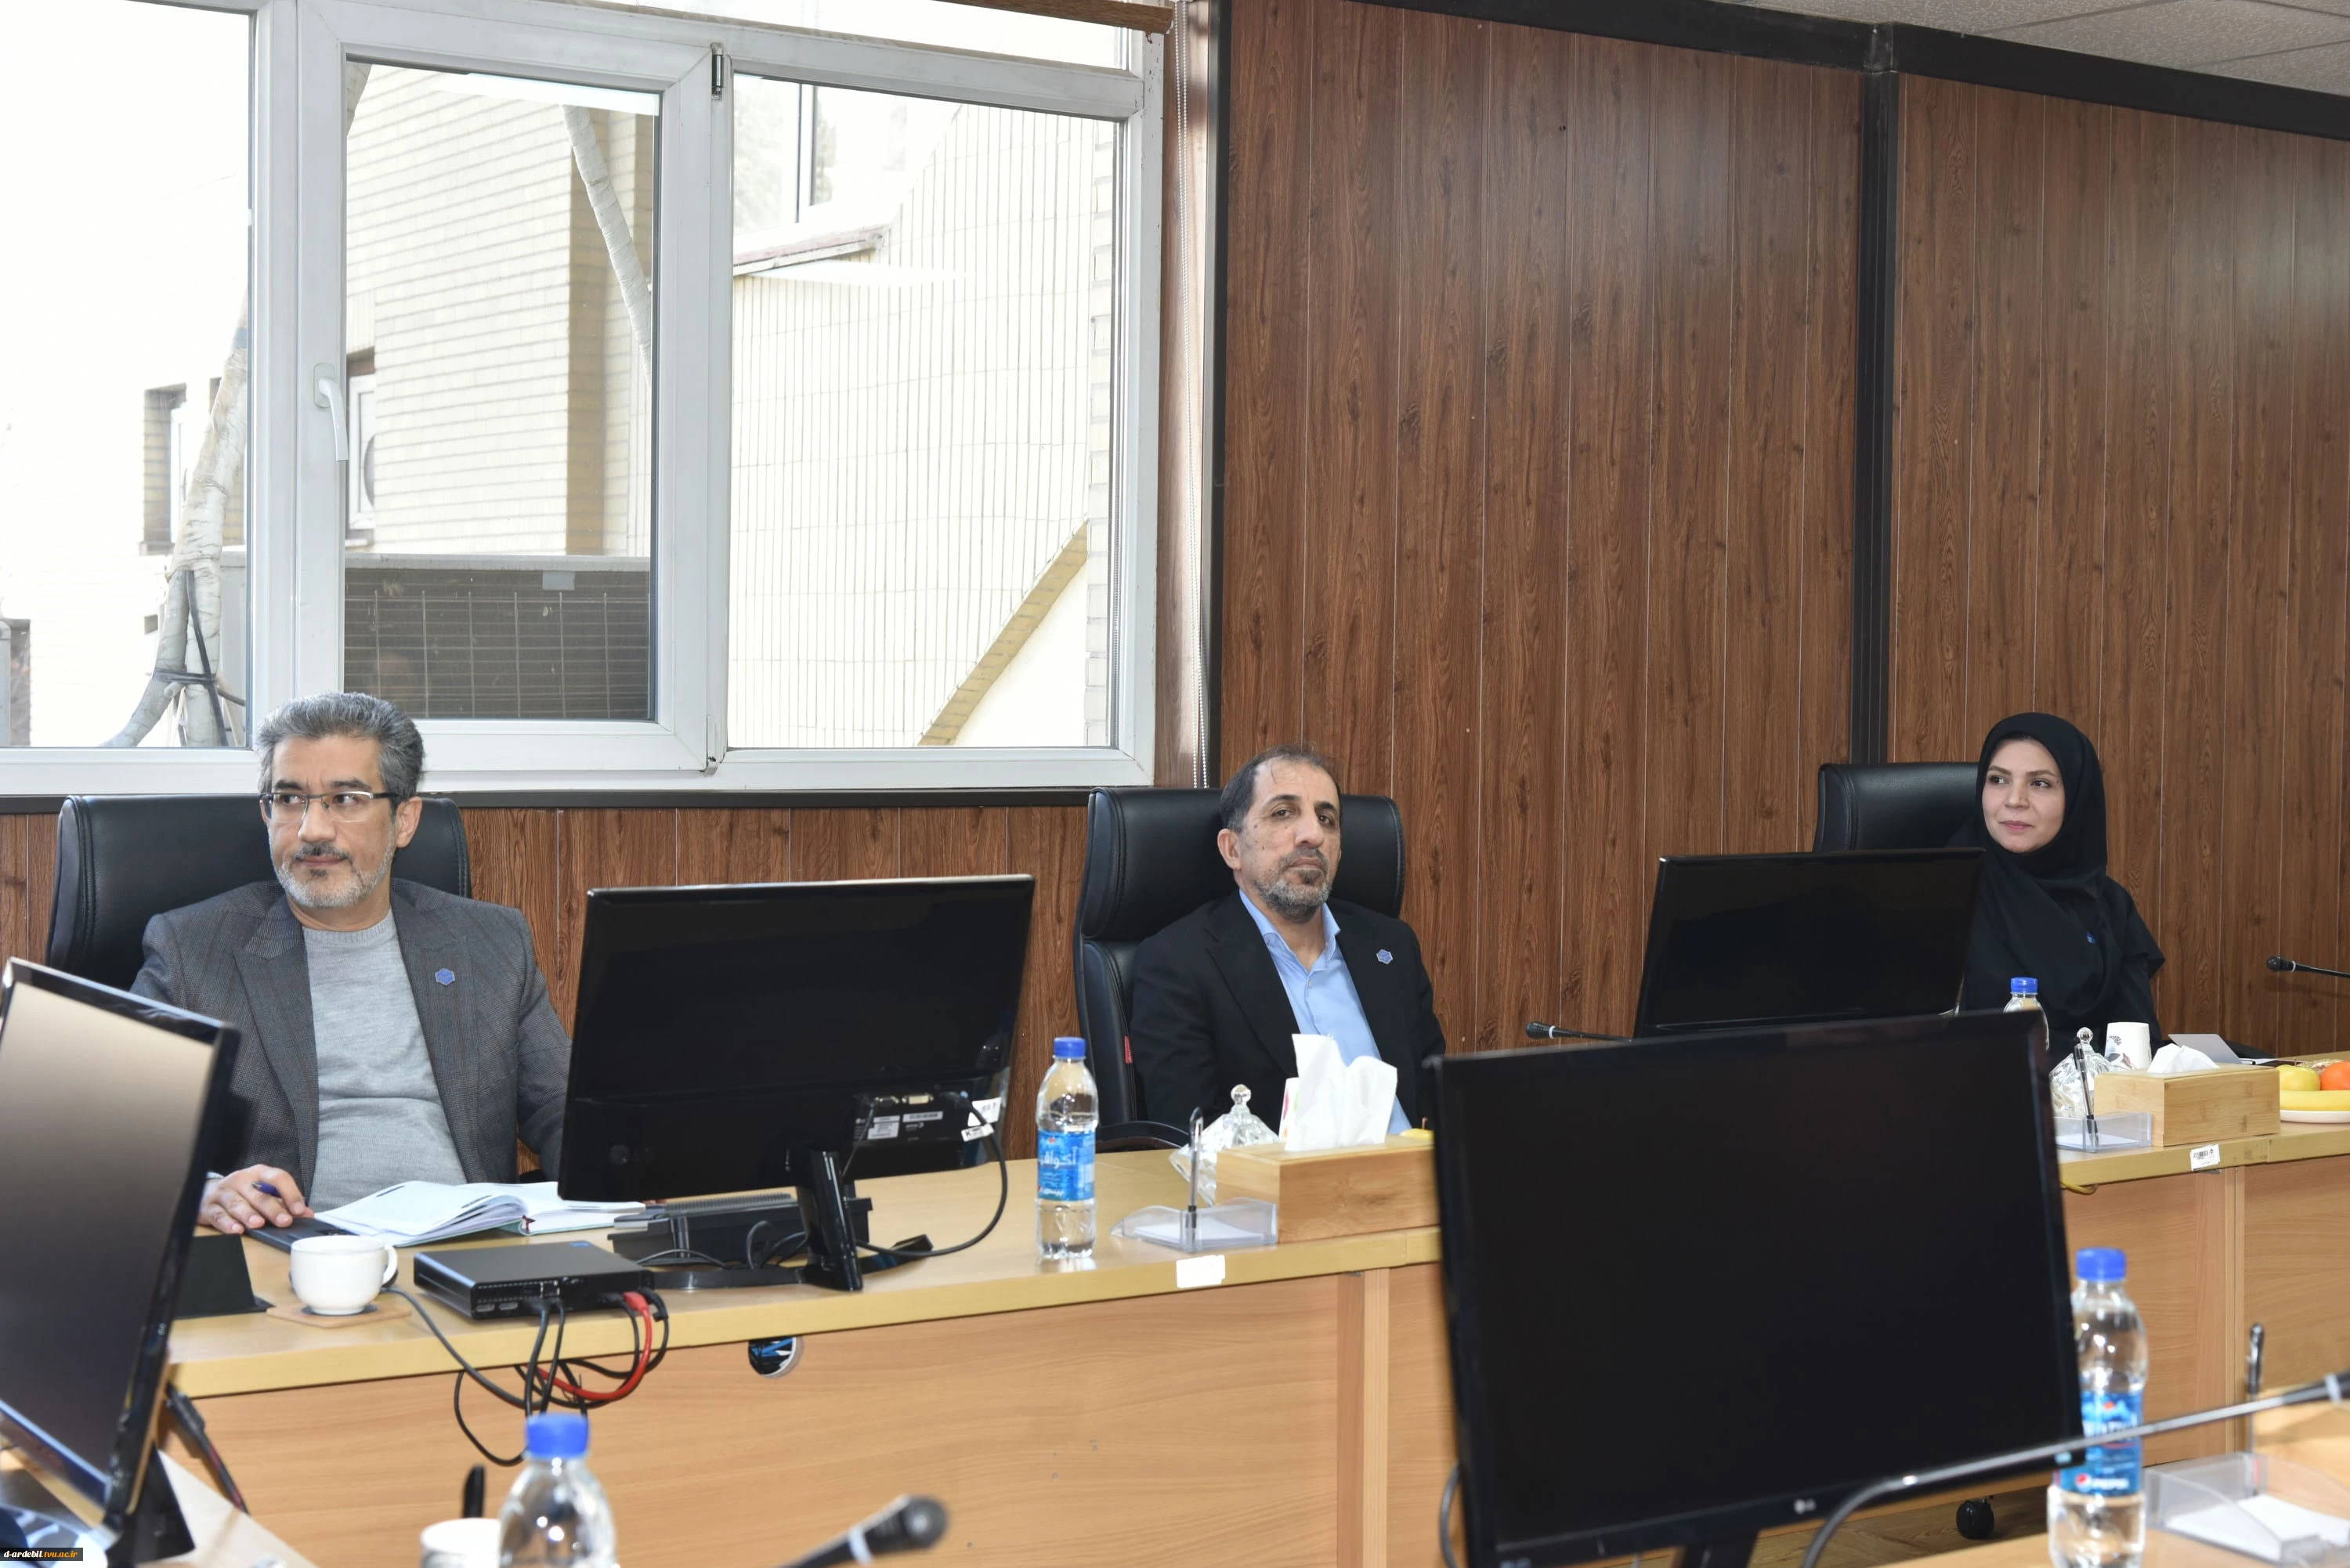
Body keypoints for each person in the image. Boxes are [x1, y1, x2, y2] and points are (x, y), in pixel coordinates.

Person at [133, 692, 570, 1232]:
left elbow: (563, 1109)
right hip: (296, 1248)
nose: (312, 829)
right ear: (267, 813)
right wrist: (202, 1190)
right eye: (289, 799)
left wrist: (627, 1175)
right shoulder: (193, 948)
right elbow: (126, 1130)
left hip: (470, 1247)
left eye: (345, 799)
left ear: (405, 820)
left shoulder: (489, 942)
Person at [1127, 744, 1448, 1132]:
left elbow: (1439, 1099)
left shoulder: (1392, 946)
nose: (1313, 834)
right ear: (1232, 849)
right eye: (1283, 813)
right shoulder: (1177, 963)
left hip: (1411, 1167)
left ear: (1340, 851)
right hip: (1278, 1171)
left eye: (1327, 819)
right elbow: (1192, 1132)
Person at [1950, 711, 2164, 1050]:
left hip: (2097, 1084)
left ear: (2077, 799)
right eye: (1998, 779)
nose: (2014, 800)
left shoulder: (2110, 907)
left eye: (2040, 783)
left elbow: (2138, 1050)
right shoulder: (1942, 894)